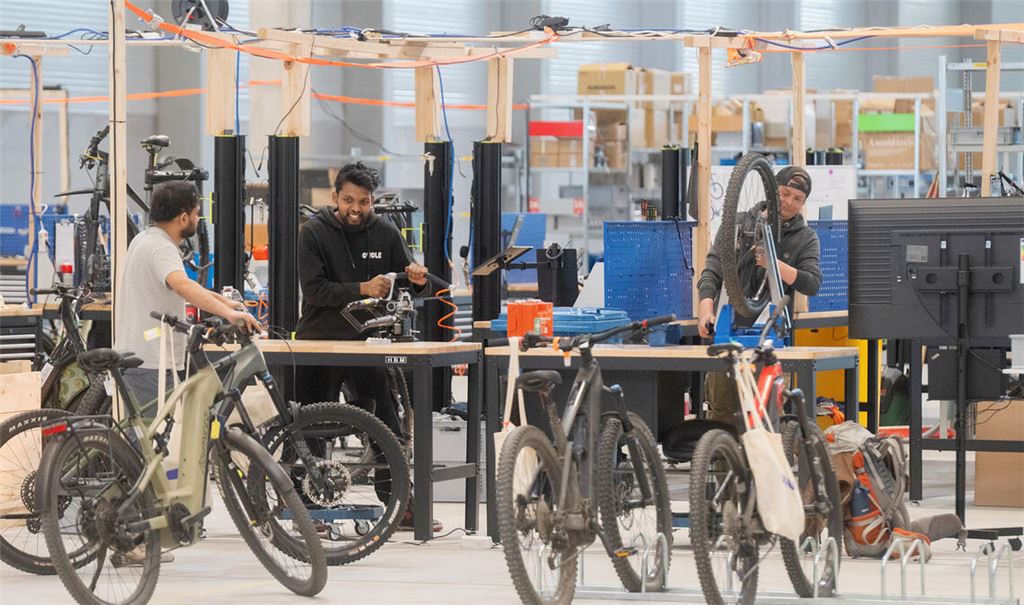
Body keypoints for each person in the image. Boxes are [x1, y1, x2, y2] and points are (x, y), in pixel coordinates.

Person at [112, 181, 258, 565]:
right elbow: (182, 285)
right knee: (146, 457)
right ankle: (129, 541)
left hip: (142, 359)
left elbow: (185, 288)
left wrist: (227, 304)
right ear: (184, 216)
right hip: (149, 364)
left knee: (144, 451)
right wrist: (230, 314)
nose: (198, 219)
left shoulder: (145, 240)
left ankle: (137, 534)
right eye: (196, 213)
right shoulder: (162, 248)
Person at [294, 162, 442, 531]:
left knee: (386, 425)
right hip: (320, 343)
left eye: (363, 201)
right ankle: (303, 510)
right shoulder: (313, 233)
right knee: (307, 426)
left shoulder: (385, 232)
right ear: (335, 197)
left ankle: (400, 504)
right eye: (348, 200)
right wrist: (362, 288)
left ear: (372, 200)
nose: (356, 208)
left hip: (367, 343)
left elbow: (405, 281)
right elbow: (314, 290)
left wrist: (418, 280)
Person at [695, 165, 821, 424]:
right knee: (721, 409)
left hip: (771, 337)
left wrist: (775, 264)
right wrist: (705, 311)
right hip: (727, 330)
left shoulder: (806, 238)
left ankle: (766, 463)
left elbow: (811, 283)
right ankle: (720, 460)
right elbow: (713, 269)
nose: (788, 202)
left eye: (797, 199)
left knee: (767, 414)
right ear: (772, 191)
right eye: (784, 193)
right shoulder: (738, 222)